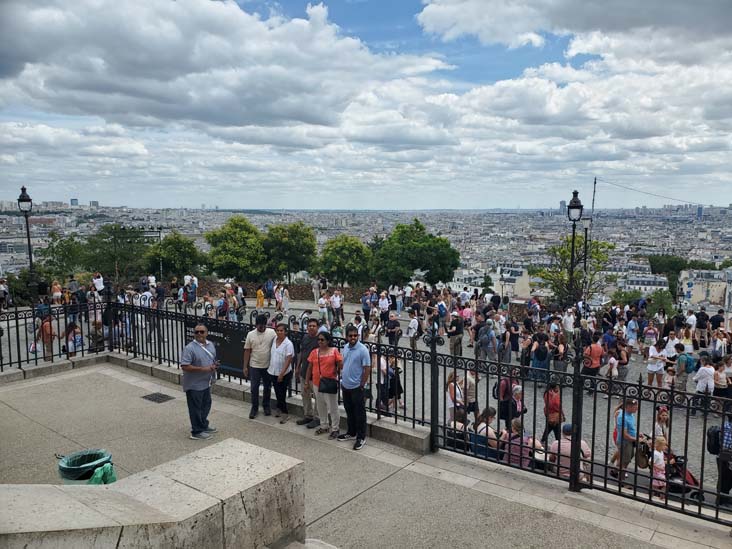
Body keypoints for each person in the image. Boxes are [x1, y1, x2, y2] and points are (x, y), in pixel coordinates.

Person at [180, 324, 218, 440]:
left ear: (206, 333)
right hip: (194, 385)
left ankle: (203, 425)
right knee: (195, 408)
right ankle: (196, 431)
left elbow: (212, 360)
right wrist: (204, 369)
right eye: (196, 332)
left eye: (202, 332)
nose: (199, 334)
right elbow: (185, 366)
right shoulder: (189, 348)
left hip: (206, 383)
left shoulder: (210, 345)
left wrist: (214, 367)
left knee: (206, 405)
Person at [338, 325, 370, 451]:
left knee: (360, 413)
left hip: (357, 386)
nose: (353, 338)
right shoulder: (345, 347)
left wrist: (362, 384)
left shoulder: (363, 350)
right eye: (350, 335)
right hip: (346, 385)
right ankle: (351, 432)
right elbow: (344, 363)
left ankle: (361, 436)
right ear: (346, 336)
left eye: (355, 335)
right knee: (349, 410)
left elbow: (367, 367)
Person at [306, 331, 343, 438]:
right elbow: (309, 367)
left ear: (328, 341)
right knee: (320, 406)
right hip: (317, 383)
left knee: (333, 407)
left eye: (322, 339)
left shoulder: (334, 351)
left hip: (329, 383)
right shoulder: (314, 352)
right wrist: (306, 381)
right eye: (319, 339)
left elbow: (340, 364)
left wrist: (339, 363)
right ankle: (324, 425)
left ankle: (335, 428)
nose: (320, 341)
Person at [243, 314, 277, 419]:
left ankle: (266, 406)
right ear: (256, 324)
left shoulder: (272, 333)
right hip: (254, 365)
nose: (261, 328)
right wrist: (245, 366)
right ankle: (254, 407)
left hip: (268, 365)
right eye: (259, 326)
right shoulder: (250, 334)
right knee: (254, 387)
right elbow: (247, 350)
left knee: (267, 387)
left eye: (263, 326)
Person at [296, 318, 321, 429]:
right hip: (304, 371)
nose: (311, 327)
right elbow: (301, 352)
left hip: (315, 374)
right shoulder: (305, 337)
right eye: (309, 325)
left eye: (313, 326)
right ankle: (308, 415)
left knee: (317, 398)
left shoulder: (320, 340)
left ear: (317, 327)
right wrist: (297, 367)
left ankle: (317, 418)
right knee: (305, 395)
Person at [268, 323, 294, 423]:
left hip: (284, 373)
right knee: (278, 392)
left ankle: (285, 413)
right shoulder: (274, 340)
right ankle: (279, 408)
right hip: (273, 371)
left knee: (281, 393)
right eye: (278, 330)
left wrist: (282, 374)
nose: (279, 332)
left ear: (285, 332)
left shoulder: (288, 344)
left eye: (281, 330)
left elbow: (288, 359)